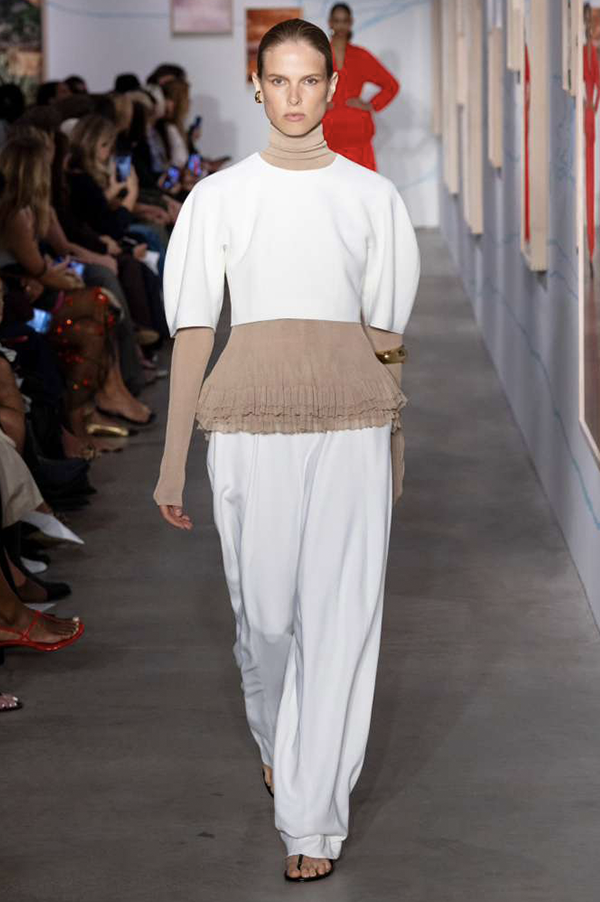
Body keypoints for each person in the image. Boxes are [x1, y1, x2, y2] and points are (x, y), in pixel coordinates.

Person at [154, 18, 419, 883]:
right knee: (264, 620)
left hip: (352, 425)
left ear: (333, 87)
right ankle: (277, 740)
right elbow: (195, 330)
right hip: (246, 427)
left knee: (341, 622)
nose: (296, 97)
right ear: (257, 85)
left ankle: (312, 821)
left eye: (311, 81)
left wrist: (396, 438)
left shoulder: (371, 197)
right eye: (281, 80)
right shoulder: (219, 198)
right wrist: (171, 459)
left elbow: (385, 335)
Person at [323, 2, 399, 171]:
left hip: (357, 131)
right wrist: (318, 105)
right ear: (330, 22)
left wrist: (371, 105)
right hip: (328, 130)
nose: (340, 26)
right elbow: (303, 86)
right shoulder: (319, 55)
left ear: (350, 23)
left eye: (344, 21)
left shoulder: (361, 56)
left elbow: (392, 86)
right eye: (337, 21)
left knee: (362, 182)